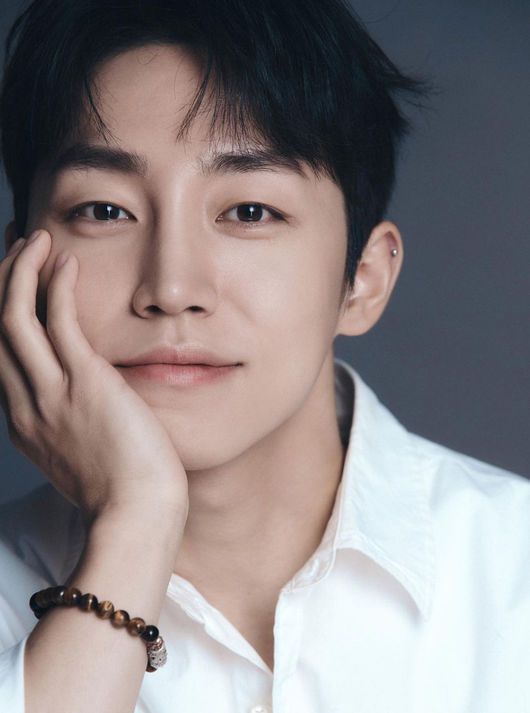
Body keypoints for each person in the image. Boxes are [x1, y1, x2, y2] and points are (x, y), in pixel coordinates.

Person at [0, 0, 528, 711]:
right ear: (19, 268)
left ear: (364, 279)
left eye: (250, 212)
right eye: (104, 210)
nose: (172, 289)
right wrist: (135, 522)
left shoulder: (514, 569)